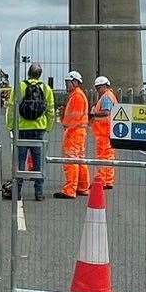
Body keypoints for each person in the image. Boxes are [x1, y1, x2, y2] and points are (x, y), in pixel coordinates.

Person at [6, 63, 54, 201]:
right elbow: (50, 111)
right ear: (40, 74)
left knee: (19, 161)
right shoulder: (46, 88)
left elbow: (11, 108)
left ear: (28, 73)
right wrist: (48, 127)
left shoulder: (19, 86)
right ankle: (38, 193)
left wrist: (11, 126)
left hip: (21, 129)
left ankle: (17, 192)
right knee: (38, 161)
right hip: (39, 130)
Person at [55, 71, 90, 199]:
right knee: (79, 159)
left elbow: (74, 118)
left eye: (67, 82)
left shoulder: (77, 96)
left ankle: (70, 190)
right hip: (78, 132)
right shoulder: (77, 95)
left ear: (74, 82)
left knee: (71, 160)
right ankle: (82, 187)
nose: (66, 85)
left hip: (73, 132)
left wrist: (66, 125)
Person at [91, 75, 119, 189]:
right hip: (108, 131)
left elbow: (106, 112)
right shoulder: (110, 96)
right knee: (109, 156)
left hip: (104, 132)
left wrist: (93, 114)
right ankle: (108, 180)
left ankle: (101, 181)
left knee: (102, 157)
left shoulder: (106, 97)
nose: (97, 91)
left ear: (104, 86)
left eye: (98, 88)